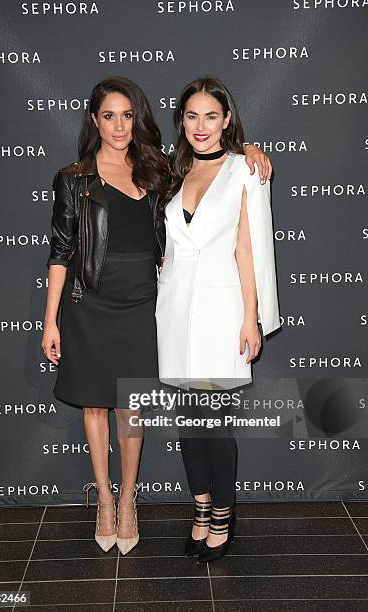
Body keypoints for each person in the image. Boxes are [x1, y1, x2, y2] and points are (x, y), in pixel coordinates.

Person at [42, 75, 271, 556]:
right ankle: (107, 498)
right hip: (112, 307)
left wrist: (250, 149)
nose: (119, 125)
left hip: (154, 307)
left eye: (128, 115)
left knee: (147, 409)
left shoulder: (156, 170)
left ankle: (140, 502)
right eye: (109, 115)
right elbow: (60, 251)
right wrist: (50, 319)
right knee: (108, 407)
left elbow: (226, 193)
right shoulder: (86, 178)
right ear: (94, 120)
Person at [155, 76, 281, 563]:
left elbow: (249, 249)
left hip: (221, 312)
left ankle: (224, 515)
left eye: (211, 115)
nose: (201, 126)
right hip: (173, 312)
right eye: (192, 116)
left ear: (227, 120)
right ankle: (200, 510)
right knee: (188, 422)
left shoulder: (244, 170)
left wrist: (251, 318)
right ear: (181, 121)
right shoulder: (169, 171)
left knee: (214, 424)